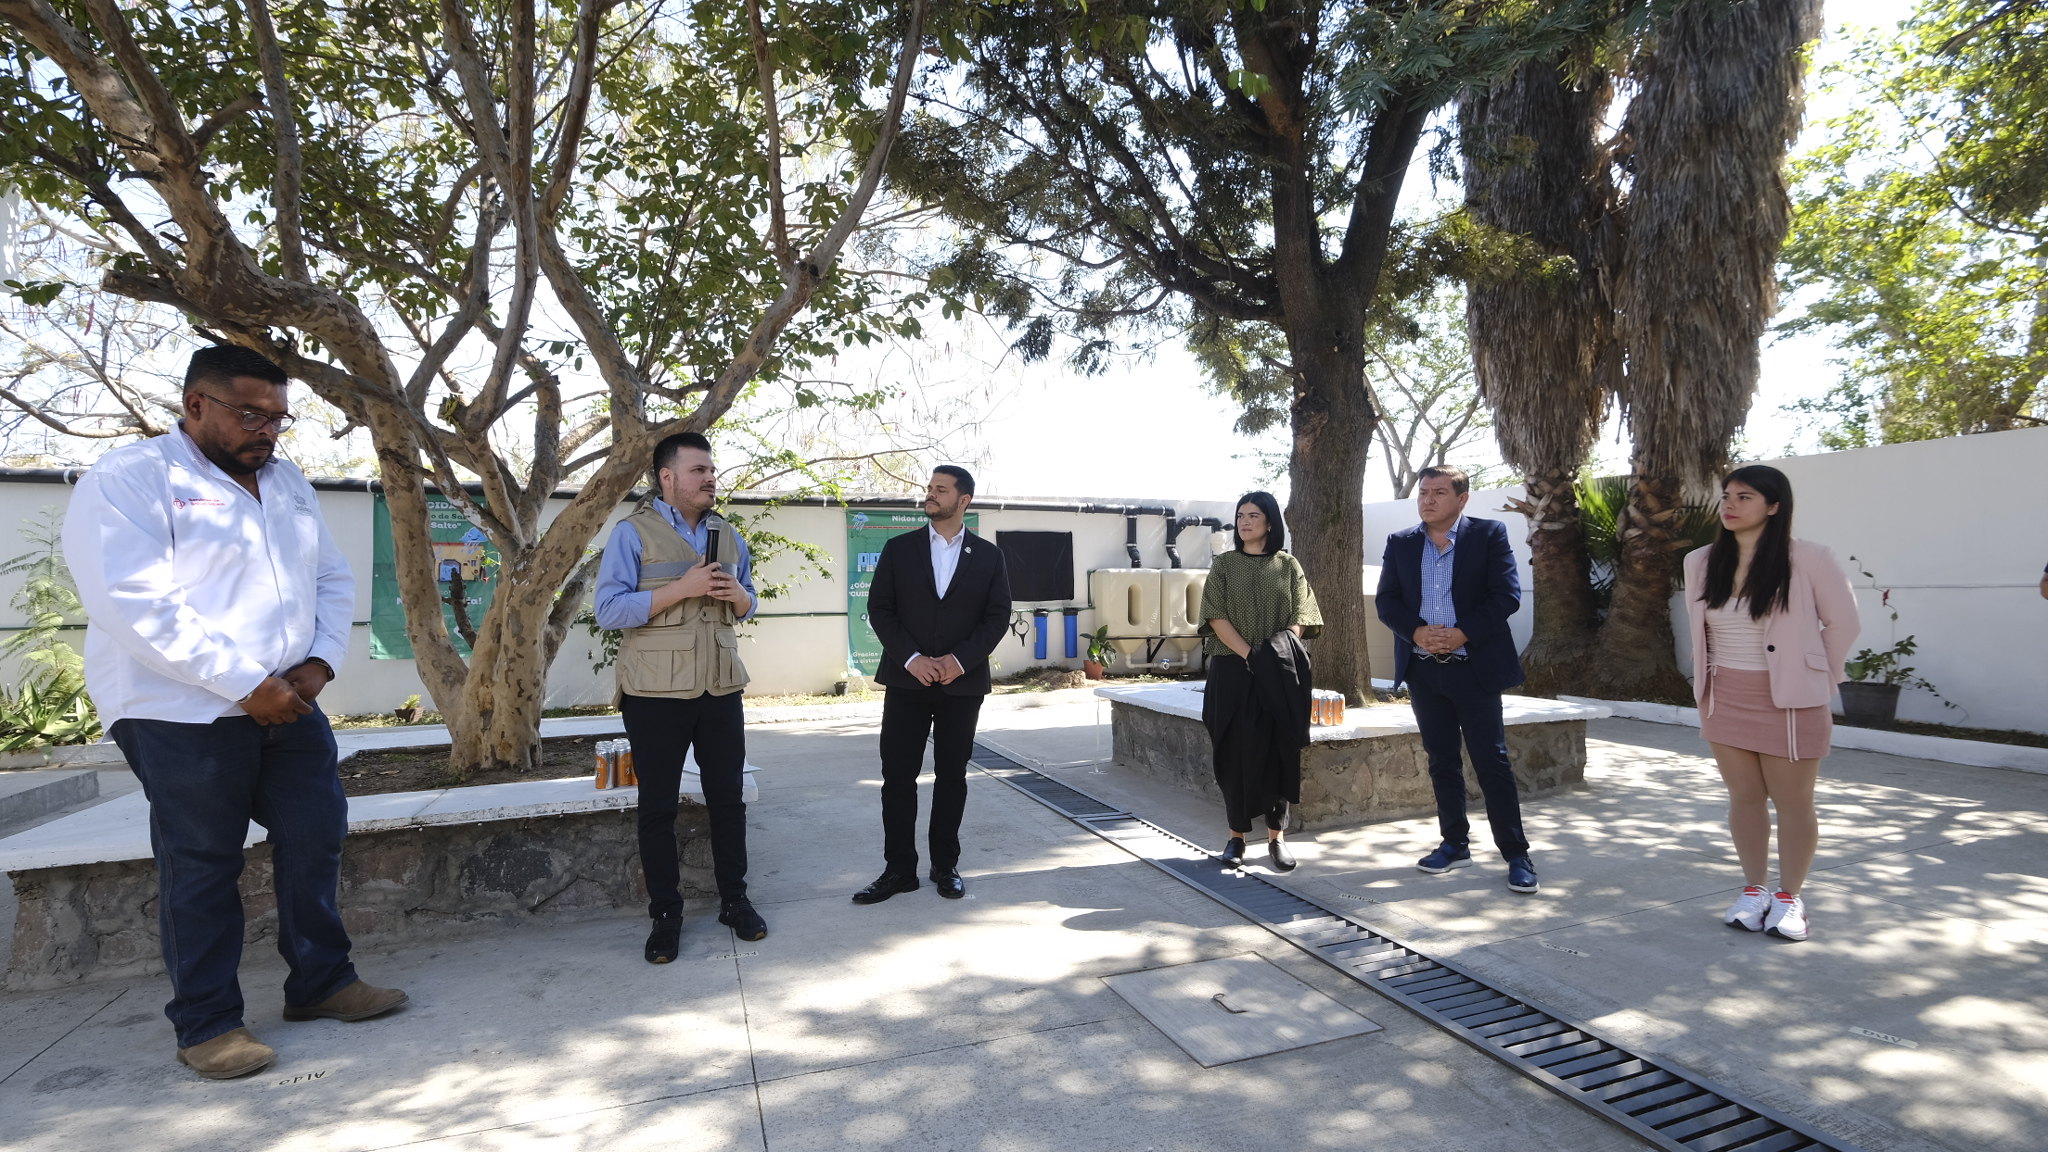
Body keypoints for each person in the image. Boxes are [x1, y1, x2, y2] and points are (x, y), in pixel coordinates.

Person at [64, 344, 406, 1081]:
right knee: (203, 861)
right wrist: (244, 682)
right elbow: (133, 601)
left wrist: (318, 664)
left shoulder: (285, 483)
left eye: (279, 418)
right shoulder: (132, 479)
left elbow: (329, 574)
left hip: (287, 700)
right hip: (175, 708)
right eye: (250, 414)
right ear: (196, 406)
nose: (268, 431)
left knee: (316, 834)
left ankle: (321, 982)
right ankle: (208, 1023)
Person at [594, 431, 765, 961]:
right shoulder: (632, 534)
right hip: (655, 693)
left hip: (720, 688)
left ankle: (734, 901)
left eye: (712, 470)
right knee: (658, 808)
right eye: (698, 470)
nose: (710, 478)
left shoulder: (728, 535)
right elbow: (608, 611)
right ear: (667, 477)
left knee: (728, 801)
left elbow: (747, 601)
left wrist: (740, 598)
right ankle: (665, 917)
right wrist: (680, 589)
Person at [1682, 464, 1858, 942]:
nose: (1730, 505)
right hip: (1724, 696)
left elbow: (1844, 625)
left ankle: (1789, 897)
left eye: (1745, 497)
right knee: (1743, 798)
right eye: (1727, 496)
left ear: (1774, 506)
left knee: (1794, 801)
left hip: (1790, 700)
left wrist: (1814, 674)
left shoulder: (1811, 559)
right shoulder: (1700, 561)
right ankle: (1754, 889)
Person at [852, 465, 1013, 904]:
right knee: (897, 777)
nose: (930, 495)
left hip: (962, 685)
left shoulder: (988, 556)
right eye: (929, 488)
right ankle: (899, 869)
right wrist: (912, 659)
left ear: (964, 501)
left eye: (940, 490)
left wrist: (960, 660)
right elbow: (880, 609)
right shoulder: (898, 549)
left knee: (952, 776)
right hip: (907, 683)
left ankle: (946, 865)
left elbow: (997, 616)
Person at [1376, 465, 1539, 895]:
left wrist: (1463, 631)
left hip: (1474, 667)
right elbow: (1387, 600)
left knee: (1492, 760)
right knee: (1441, 759)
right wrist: (1415, 632)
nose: (1427, 500)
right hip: (1424, 670)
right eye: (1423, 493)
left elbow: (1506, 595)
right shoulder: (1401, 543)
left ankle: (1516, 854)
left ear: (1462, 498)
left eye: (1438, 492)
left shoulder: (1488, 535)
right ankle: (1454, 843)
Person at [1198, 491, 1320, 871]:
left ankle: (1276, 837)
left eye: (1254, 515)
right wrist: (1251, 656)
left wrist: (1272, 656)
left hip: (1279, 672)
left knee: (1278, 751)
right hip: (1232, 673)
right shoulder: (1224, 565)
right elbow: (1214, 615)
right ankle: (1236, 838)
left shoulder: (1288, 565)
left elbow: (1302, 614)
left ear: (1270, 522)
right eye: (1240, 515)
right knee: (1233, 754)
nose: (1245, 522)